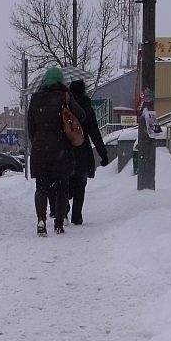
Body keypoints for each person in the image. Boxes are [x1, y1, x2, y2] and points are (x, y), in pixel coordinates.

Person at [27, 66, 85, 235]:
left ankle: (41, 220)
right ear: (60, 81)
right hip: (61, 150)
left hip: (40, 150)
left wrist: (37, 142)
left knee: (41, 188)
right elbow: (81, 116)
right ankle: (59, 223)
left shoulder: (35, 98)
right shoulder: (65, 96)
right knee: (62, 187)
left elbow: (31, 127)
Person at [66, 80, 109, 225]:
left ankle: (64, 209)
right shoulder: (88, 108)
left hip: (66, 151)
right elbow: (95, 133)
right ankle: (76, 216)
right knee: (80, 183)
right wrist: (103, 153)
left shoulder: (65, 107)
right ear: (84, 91)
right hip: (82, 151)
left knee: (64, 182)